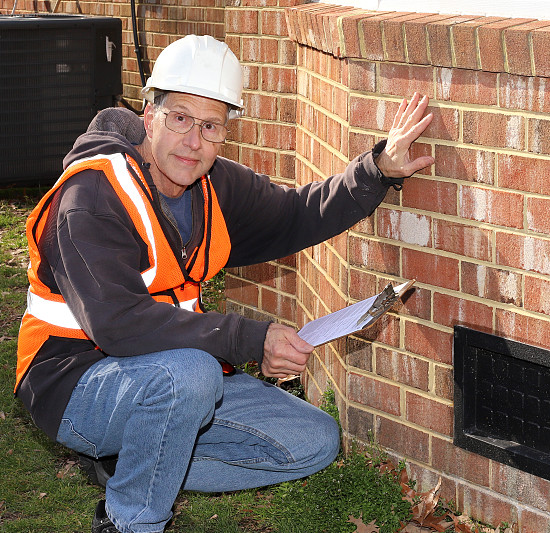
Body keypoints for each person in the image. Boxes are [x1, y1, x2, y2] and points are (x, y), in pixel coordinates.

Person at [14, 34, 434, 533]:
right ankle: (131, 520)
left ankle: (135, 462)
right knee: (192, 375)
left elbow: (294, 216)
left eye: (210, 126)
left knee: (313, 439)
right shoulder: (93, 193)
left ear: (225, 133)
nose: (193, 141)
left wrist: (379, 170)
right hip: (75, 381)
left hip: (168, 375)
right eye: (180, 118)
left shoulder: (214, 186)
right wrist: (252, 339)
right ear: (150, 115)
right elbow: (119, 324)